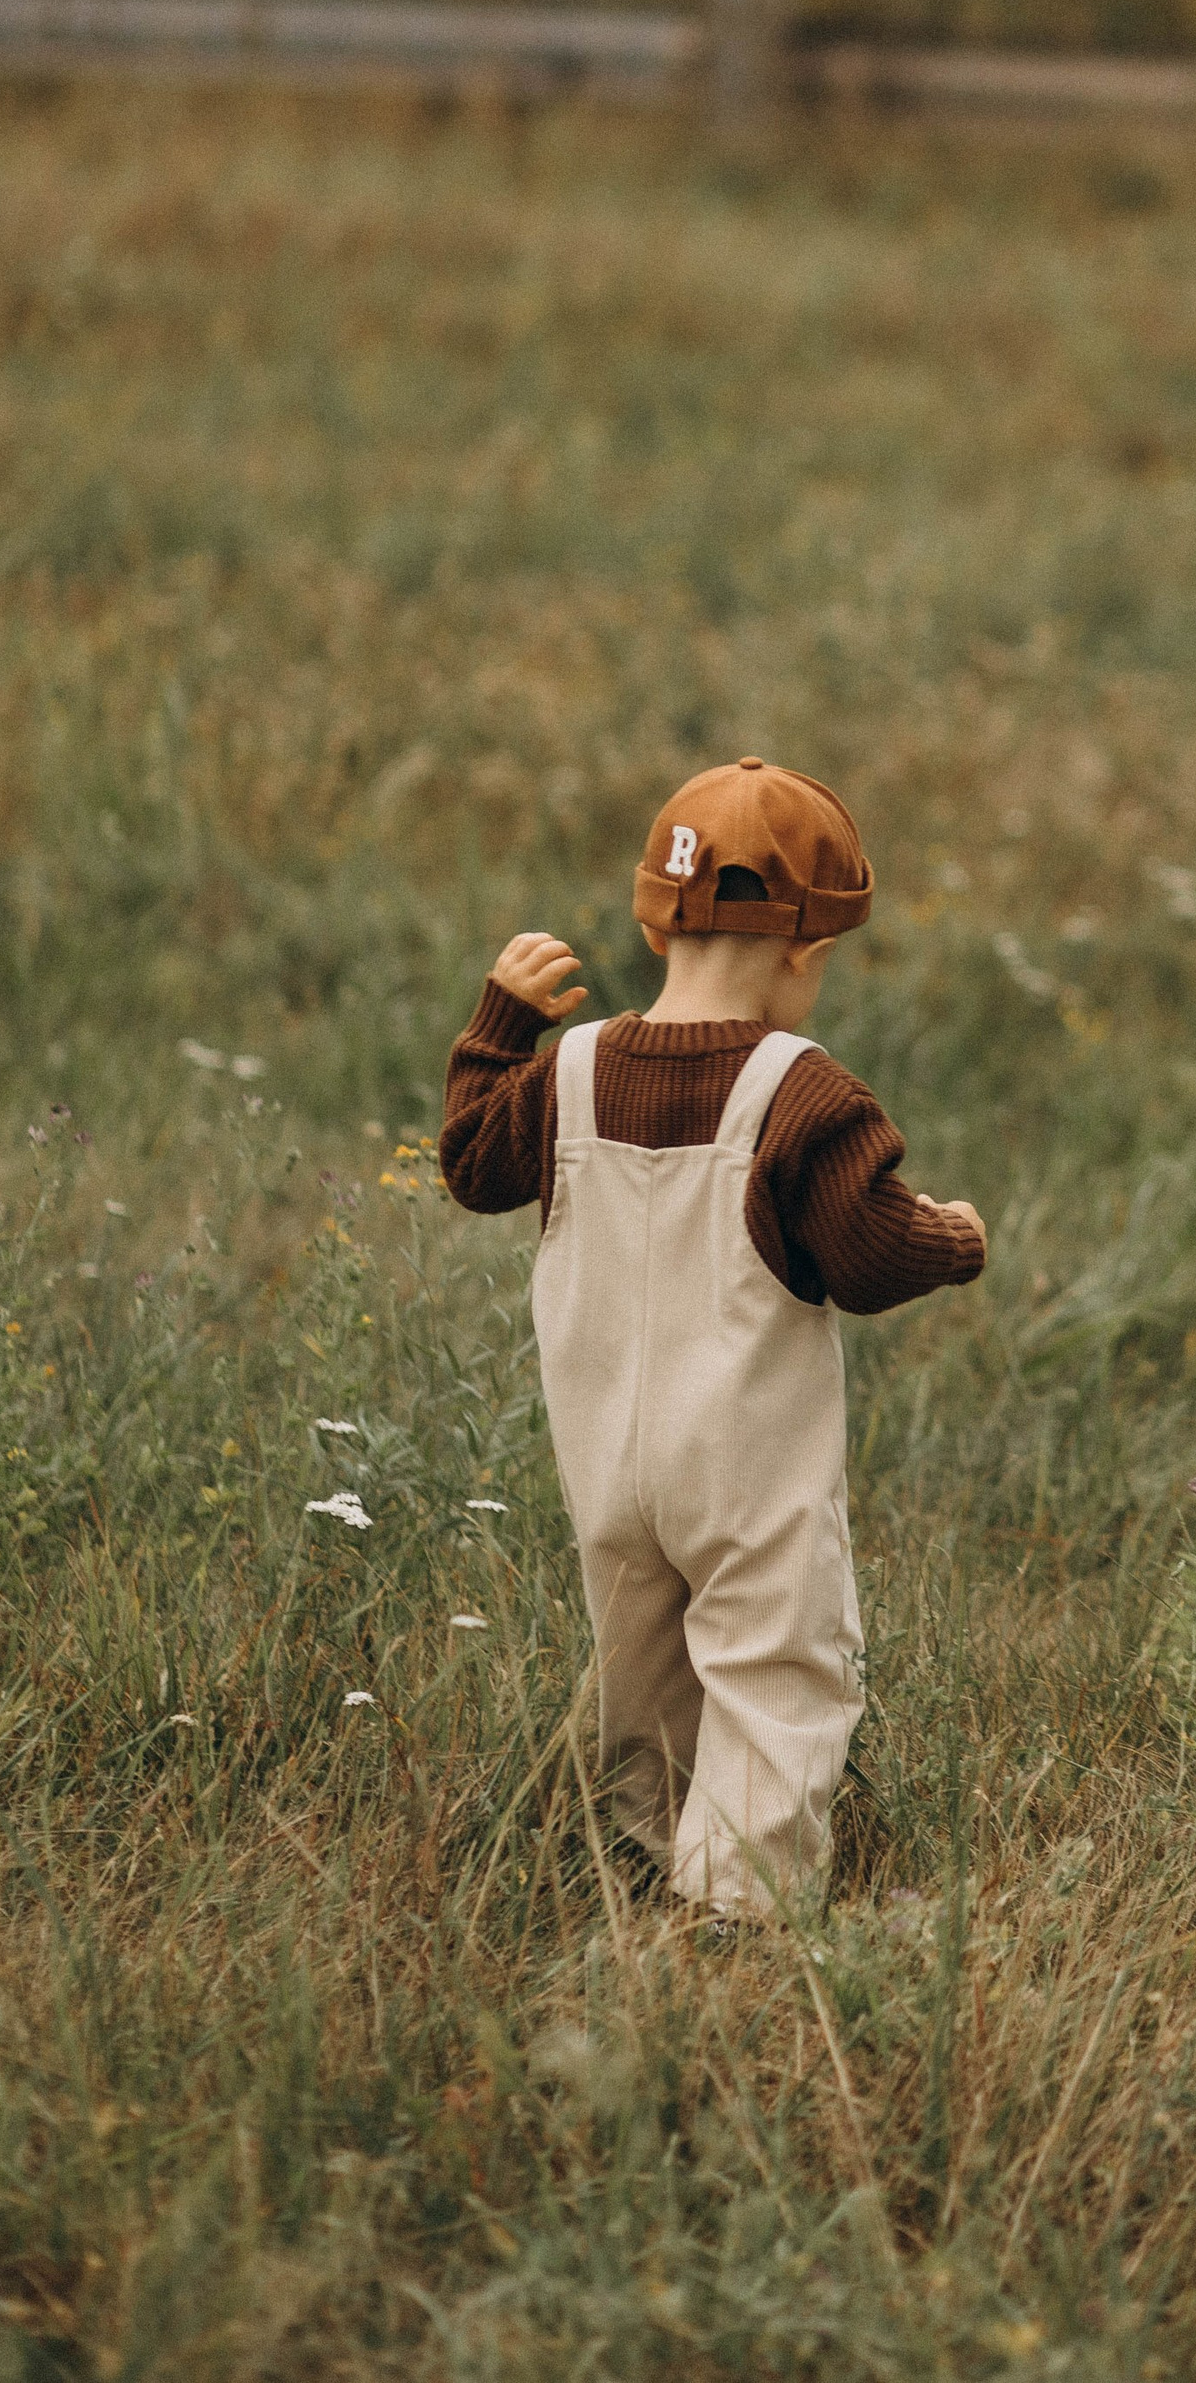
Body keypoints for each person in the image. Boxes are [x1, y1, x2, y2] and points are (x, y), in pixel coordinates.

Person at [441, 756, 985, 1914]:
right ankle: (739, 1907)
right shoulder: (802, 1092)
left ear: (653, 922)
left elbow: (471, 1164)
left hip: (606, 1463)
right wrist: (950, 1236)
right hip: (744, 1471)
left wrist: (501, 1026)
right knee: (776, 1670)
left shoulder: (569, 1070)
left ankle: (636, 1853)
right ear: (806, 949)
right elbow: (866, 1255)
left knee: (640, 1669)